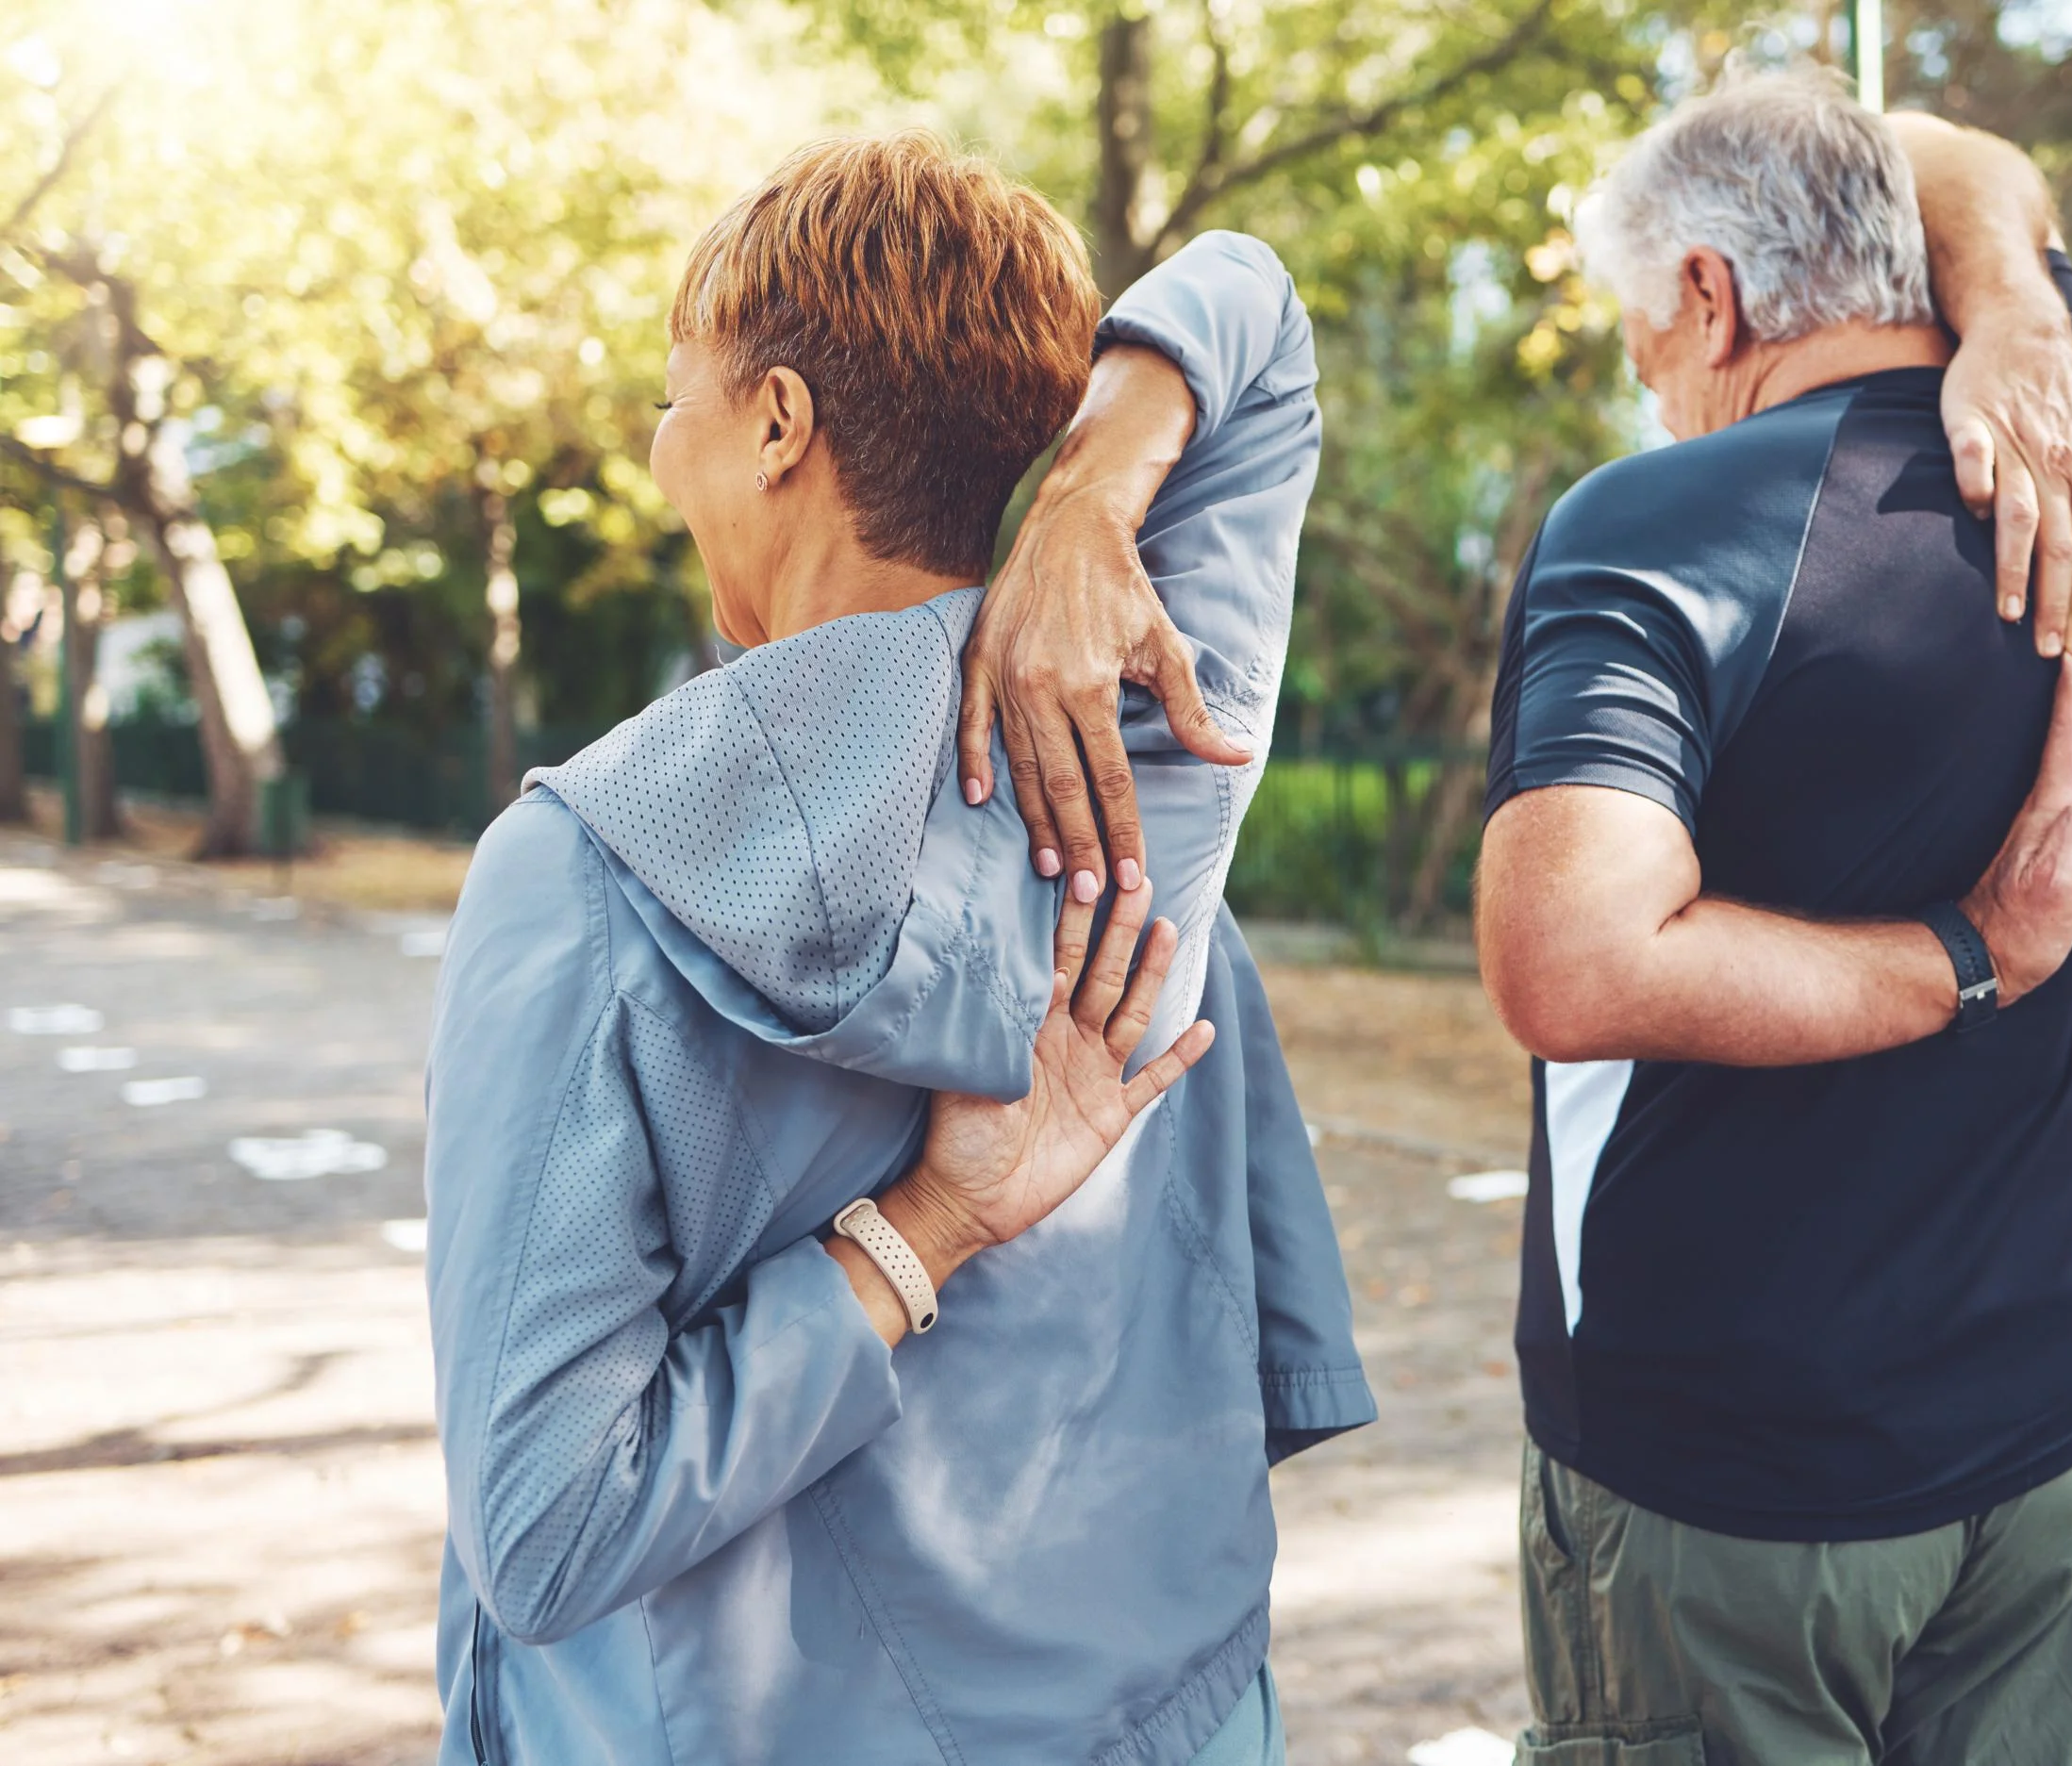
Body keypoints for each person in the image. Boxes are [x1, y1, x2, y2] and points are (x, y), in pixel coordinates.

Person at [423, 134, 1370, 1766]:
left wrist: (920, 1229)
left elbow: (554, 1528)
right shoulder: (1154, 751)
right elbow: (1250, 313)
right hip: (1166, 1704)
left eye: (676, 400)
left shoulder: (579, 874)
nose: (659, 456)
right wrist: (1089, 497)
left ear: (779, 422)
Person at [1475, 74, 2072, 1766]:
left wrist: (1968, 952)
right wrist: (2021, 311)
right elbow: (1961, 160)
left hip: (1728, 1475)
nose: (1645, 383)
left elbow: (1569, 965)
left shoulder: (1662, 518)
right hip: (2029, 1445)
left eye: (1634, 334)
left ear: (1706, 294)